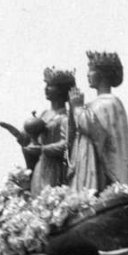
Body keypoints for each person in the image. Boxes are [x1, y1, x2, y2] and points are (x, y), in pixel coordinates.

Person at [68, 51, 128, 193]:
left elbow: (97, 132)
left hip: (102, 174)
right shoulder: (98, 103)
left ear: (102, 74)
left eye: (91, 70)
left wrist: (78, 108)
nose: (87, 74)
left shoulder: (107, 103)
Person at [23, 67, 74, 195]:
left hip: (55, 167)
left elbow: (67, 144)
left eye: (50, 86)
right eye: (46, 85)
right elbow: (33, 140)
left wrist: (43, 149)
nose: (46, 89)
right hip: (40, 165)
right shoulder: (44, 115)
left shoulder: (65, 118)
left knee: (49, 199)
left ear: (62, 90)